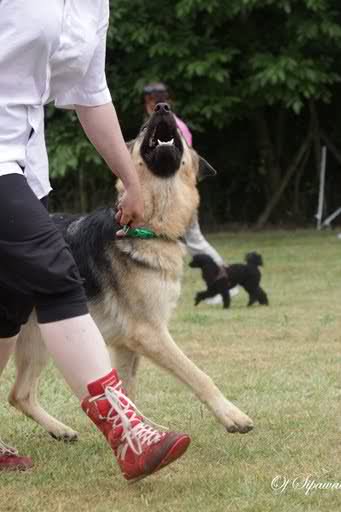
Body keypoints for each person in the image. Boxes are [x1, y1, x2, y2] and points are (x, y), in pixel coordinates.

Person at [0, 2, 190, 479]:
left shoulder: (91, 5)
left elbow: (89, 93)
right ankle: (127, 433)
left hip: (25, 157)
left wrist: (132, 181)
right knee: (56, 274)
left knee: (7, 307)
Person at [143, 83, 239, 303]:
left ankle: (226, 284)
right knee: (195, 242)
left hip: (177, 195)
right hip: (182, 191)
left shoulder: (165, 127)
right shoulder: (177, 124)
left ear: (149, 103)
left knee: (195, 241)